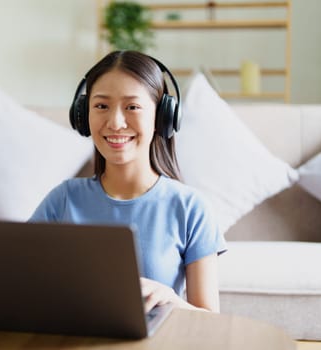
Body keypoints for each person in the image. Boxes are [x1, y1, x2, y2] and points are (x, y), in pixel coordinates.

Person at [29, 50, 226, 313]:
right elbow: (21, 285)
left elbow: (210, 322)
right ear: (83, 116)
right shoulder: (63, 200)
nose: (115, 122)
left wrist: (171, 300)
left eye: (132, 107)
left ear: (161, 117)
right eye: (101, 106)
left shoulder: (191, 208)